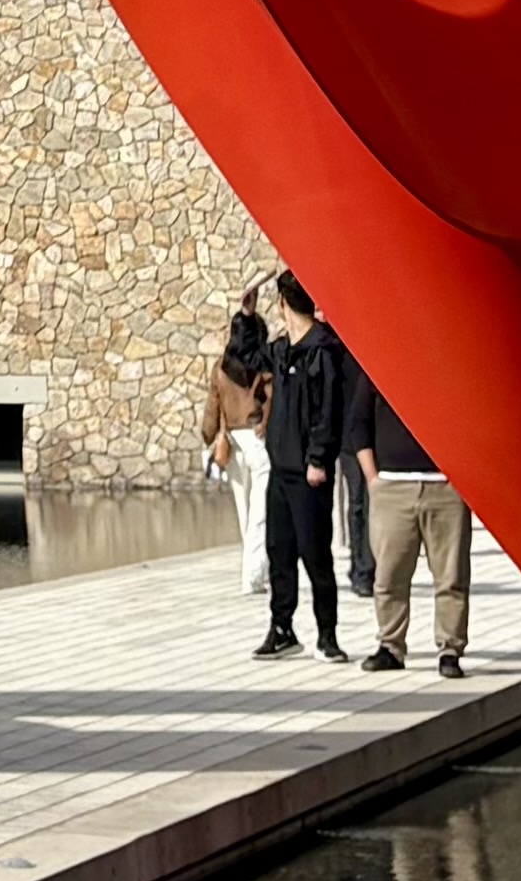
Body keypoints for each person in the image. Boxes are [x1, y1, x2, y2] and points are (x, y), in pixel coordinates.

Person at [351, 367, 476, 677]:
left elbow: (473, 417)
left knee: (451, 575)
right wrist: (373, 480)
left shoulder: (450, 366)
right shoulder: (378, 364)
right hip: (392, 486)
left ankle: (450, 649)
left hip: (445, 487)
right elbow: (359, 423)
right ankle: (390, 645)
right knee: (389, 574)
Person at [257, 272, 356, 662]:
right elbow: (242, 360)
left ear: (283, 302)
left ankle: (327, 635)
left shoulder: (321, 350)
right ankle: (282, 628)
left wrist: (318, 458)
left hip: (308, 474)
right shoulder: (283, 350)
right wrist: (245, 320)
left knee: (315, 555)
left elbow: (328, 411)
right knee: (279, 551)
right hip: (280, 470)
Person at [196, 301, 275, 600]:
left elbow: (212, 407)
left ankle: (253, 570)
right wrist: (266, 423)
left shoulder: (221, 366)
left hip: (232, 438)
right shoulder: (261, 364)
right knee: (261, 508)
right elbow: (271, 397)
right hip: (256, 436)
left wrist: (208, 437)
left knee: (244, 507)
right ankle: (254, 573)